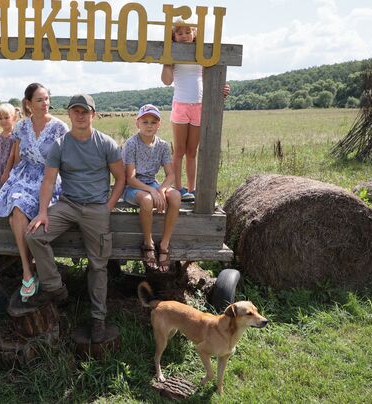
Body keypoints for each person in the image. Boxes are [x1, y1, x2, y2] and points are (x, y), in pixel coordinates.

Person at [24, 94, 125, 343]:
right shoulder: (60, 144)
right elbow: (49, 180)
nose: (80, 115)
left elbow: (120, 178)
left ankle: (98, 318)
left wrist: (107, 207)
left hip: (96, 208)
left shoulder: (105, 143)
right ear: (69, 114)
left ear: (93, 114)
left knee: (98, 265)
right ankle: (55, 288)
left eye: (85, 111)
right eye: (75, 111)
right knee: (34, 234)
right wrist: (44, 211)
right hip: (68, 204)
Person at [0, 83, 68, 303]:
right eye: (40, 100)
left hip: (48, 178)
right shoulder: (21, 128)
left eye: (47, 99)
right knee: (16, 206)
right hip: (23, 175)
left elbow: (66, 159)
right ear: (28, 104)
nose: (45, 104)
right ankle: (28, 270)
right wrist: (3, 178)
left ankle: (30, 269)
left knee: (20, 211)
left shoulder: (59, 127)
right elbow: (16, 155)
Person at [161, 18, 231, 202]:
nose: (184, 36)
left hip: (200, 107)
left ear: (194, 34)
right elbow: (167, 81)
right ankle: (178, 188)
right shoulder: (174, 55)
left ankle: (191, 189)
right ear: (173, 36)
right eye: (179, 33)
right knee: (179, 151)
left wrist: (221, 89)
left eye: (187, 32)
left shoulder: (202, 55)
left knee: (192, 151)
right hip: (181, 106)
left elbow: (211, 79)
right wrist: (166, 63)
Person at [122, 104, 180, 272]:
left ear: (159, 125)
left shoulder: (162, 145)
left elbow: (171, 175)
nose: (149, 125)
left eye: (153, 122)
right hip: (133, 187)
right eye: (145, 121)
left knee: (175, 196)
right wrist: (152, 191)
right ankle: (148, 243)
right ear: (137, 123)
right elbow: (130, 178)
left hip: (152, 184)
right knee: (147, 201)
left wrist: (161, 189)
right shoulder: (131, 144)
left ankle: (164, 244)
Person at [0, 103, 21, 194]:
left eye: (6, 118)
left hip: (11, 169)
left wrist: (6, 172)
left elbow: (12, 155)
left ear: (14, 118)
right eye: (0, 118)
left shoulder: (15, 136)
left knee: (8, 193)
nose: (3, 121)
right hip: (0, 169)